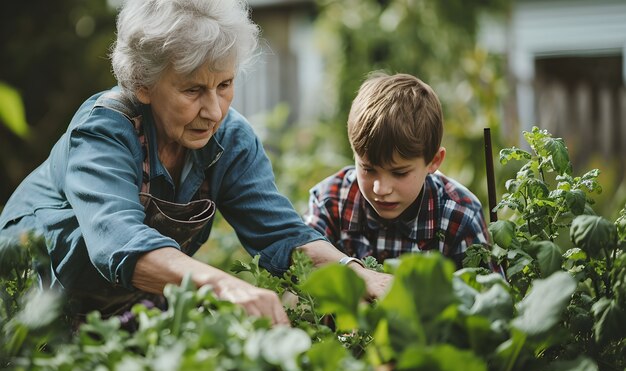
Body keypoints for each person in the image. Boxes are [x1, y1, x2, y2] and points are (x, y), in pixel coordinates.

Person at [0, 0, 391, 326]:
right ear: (142, 83)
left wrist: (358, 274)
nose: (215, 110)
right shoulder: (104, 132)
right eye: (193, 90)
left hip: (114, 308)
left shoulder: (229, 138)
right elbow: (120, 243)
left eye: (224, 85)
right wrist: (225, 286)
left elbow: (281, 235)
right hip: (28, 305)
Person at [304, 72, 497, 271]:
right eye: (368, 169)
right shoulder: (331, 200)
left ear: (433, 161)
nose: (381, 188)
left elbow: (484, 295)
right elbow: (301, 261)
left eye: (399, 173)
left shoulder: (459, 215)